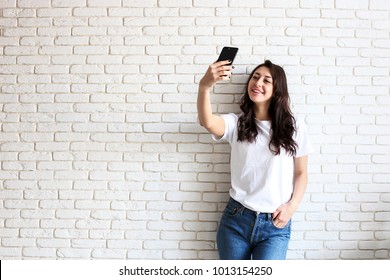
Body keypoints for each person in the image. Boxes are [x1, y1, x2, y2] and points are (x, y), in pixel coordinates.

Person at [197, 59, 313, 260]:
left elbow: (301, 173)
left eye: (267, 80)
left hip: (275, 225)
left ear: (277, 90)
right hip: (236, 220)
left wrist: (291, 207)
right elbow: (207, 121)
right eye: (255, 77)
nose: (258, 83)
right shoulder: (237, 124)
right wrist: (204, 86)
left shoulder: (294, 126)